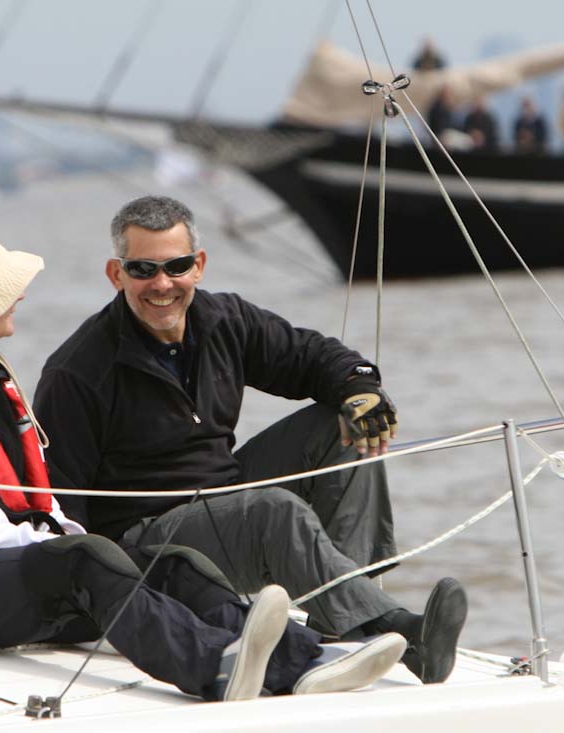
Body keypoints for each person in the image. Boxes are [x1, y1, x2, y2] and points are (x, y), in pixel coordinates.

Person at [0, 220, 406, 702]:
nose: (20, 294)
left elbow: (35, 500)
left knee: (171, 565)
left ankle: (304, 661)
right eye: (5, 288)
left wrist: (59, 535)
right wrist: (50, 540)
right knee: (86, 560)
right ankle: (214, 669)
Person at [34, 196, 468, 684]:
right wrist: (105, 604)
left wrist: (359, 386)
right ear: (117, 274)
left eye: (176, 266)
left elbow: (310, 355)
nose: (162, 284)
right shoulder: (77, 371)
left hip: (225, 498)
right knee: (271, 510)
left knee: (341, 425)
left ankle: (344, 618)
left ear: (198, 265)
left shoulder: (225, 320)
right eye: (143, 269)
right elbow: (62, 507)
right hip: (151, 545)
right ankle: (402, 635)